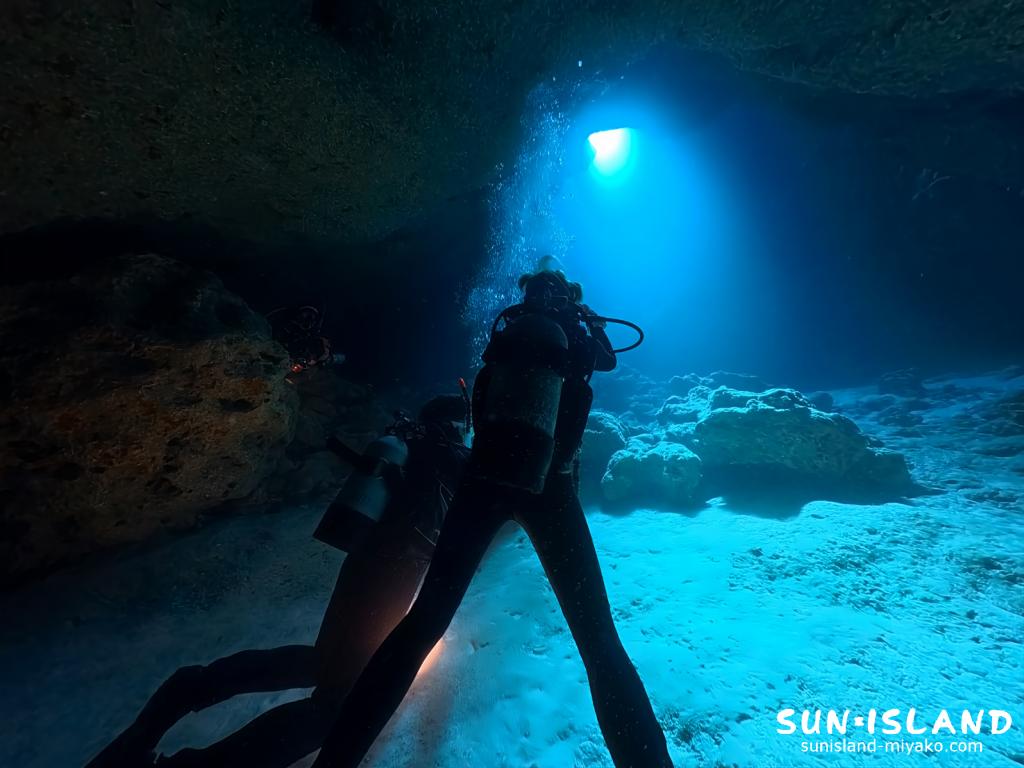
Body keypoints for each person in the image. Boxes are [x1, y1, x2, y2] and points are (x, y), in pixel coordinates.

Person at [311, 263, 674, 767]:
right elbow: (607, 364)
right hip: (552, 491)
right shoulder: (574, 335)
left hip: (480, 486)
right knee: (598, 641)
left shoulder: (507, 330)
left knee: (421, 626)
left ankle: (335, 761)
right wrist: (587, 320)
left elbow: (484, 402)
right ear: (569, 297)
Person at [84, 396, 471, 768]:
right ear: (456, 425)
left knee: (325, 665)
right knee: (338, 704)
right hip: (391, 573)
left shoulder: (418, 449)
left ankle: (181, 696)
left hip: (367, 563)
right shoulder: (448, 454)